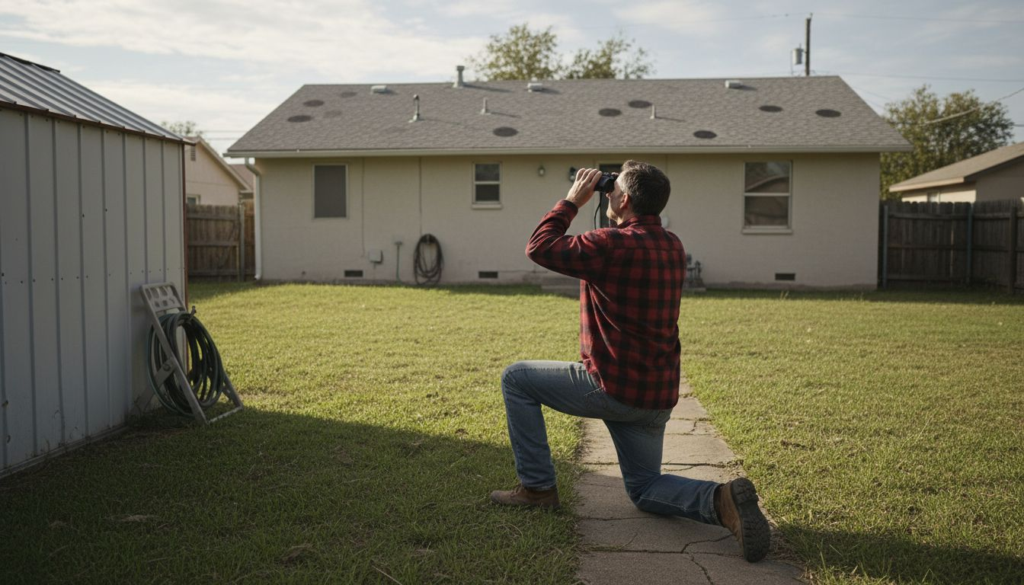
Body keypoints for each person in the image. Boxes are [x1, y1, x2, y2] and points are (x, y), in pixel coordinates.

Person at [489, 162, 771, 563]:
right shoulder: (673, 245)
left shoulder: (609, 244)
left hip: (610, 386)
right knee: (644, 490)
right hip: (655, 396)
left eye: (611, 190)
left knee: (516, 378)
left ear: (623, 199)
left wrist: (572, 200)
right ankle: (720, 500)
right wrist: (607, 197)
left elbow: (539, 246)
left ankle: (536, 489)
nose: (605, 194)